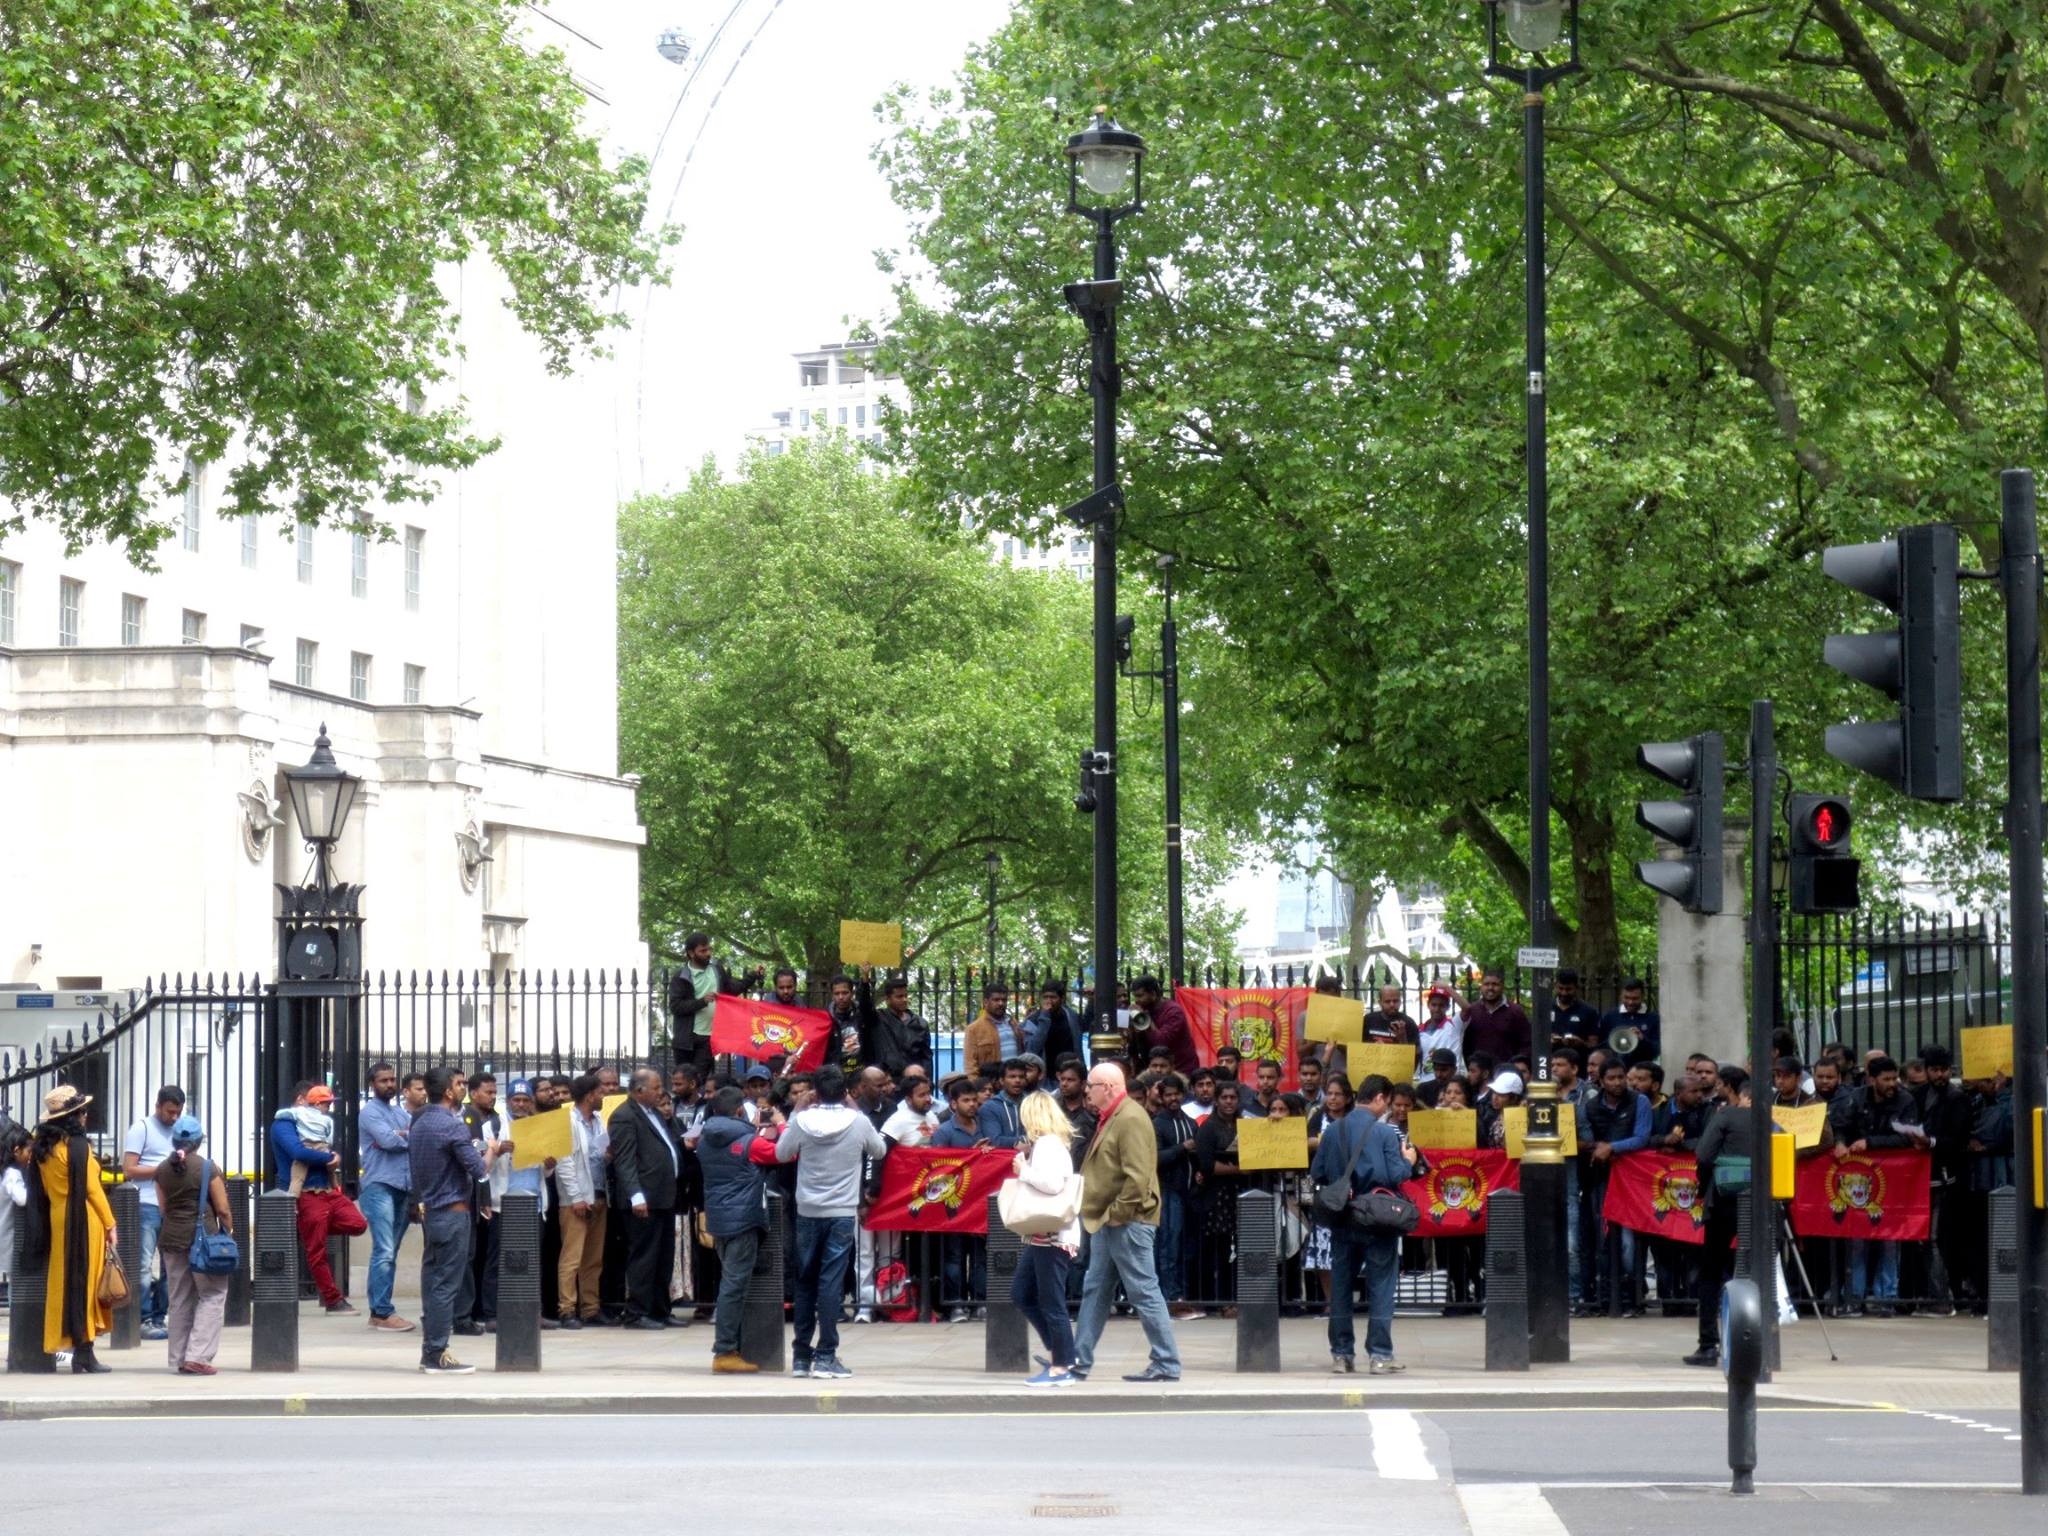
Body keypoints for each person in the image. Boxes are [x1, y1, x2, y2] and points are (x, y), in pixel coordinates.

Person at [1072, 1062, 1183, 1383]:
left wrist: (1115, 1214)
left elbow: (1137, 1177)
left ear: (1107, 1087)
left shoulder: (1130, 1118)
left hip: (1128, 1220)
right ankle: (1078, 1359)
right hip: (1113, 1220)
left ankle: (1166, 1362)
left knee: (1143, 1291)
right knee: (1096, 1289)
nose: (1086, 1091)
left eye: (1090, 1085)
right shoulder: (1116, 1116)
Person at [775, 1064, 886, 1379]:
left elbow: (782, 1153)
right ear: (846, 1092)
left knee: (805, 1280)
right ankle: (826, 1355)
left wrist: (796, 1111)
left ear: (815, 1092)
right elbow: (878, 1150)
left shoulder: (803, 1120)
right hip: (840, 1212)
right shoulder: (859, 1121)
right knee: (830, 1284)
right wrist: (854, 1108)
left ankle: (800, 1357)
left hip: (808, 1210)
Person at [1312, 1073, 1416, 1373]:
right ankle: (1380, 1355)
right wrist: (1408, 1159)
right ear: (1380, 1098)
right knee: (1382, 1285)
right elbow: (1395, 1176)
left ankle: (1342, 1355)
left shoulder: (1333, 1131)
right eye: (1387, 1103)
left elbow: (1318, 1173)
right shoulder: (1386, 1134)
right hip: (1378, 1217)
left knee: (1342, 1285)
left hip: (1344, 1215)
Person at [23, 1086, 116, 1373]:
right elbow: (93, 1190)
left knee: (65, 1283)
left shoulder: (43, 1149)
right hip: (84, 1220)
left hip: (58, 1217)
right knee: (86, 1283)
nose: (86, 1116)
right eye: (82, 1112)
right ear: (74, 1117)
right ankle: (85, 1351)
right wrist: (111, 1223)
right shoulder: (78, 1147)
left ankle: (77, 1346)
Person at [697, 1084, 784, 1372]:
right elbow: (783, 1154)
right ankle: (725, 1351)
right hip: (744, 1218)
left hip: (719, 1218)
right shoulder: (751, 1142)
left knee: (729, 1282)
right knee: (734, 1286)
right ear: (738, 1111)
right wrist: (781, 1125)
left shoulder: (705, 1139)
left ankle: (727, 1346)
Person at [1830, 1053, 1923, 1316]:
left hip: (1893, 1180)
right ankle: (1855, 1296)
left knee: (1889, 1238)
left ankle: (1886, 1298)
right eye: (1887, 1079)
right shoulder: (1856, 1099)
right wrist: (1839, 1142)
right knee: (1858, 1236)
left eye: (1895, 1078)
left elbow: (1910, 1138)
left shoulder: (1905, 1100)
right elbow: (1840, 1125)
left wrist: (1871, 1142)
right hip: (1859, 1178)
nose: (1893, 1083)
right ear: (1871, 1079)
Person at [411, 1066, 490, 1374]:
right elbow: (479, 1169)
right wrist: (492, 1151)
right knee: (446, 1285)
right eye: (459, 1084)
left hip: (431, 1211)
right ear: (447, 1091)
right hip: (453, 1212)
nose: (463, 1088)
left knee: (433, 1282)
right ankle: (436, 1352)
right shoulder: (452, 1126)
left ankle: (430, 1349)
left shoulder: (419, 1123)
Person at [269, 1081, 367, 1315]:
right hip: (307, 1193)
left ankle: (310, 1229)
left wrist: (330, 1157)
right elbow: (298, 1152)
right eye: (321, 1104)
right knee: (317, 1251)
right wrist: (329, 1158)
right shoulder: (284, 1123)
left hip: (326, 1191)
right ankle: (334, 1300)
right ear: (303, 1100)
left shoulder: (317, 1124)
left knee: (358, 1223)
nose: (324, 1109)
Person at [1008, 1091, 1083, 1386]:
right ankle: (1060, 1351)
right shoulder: (1047, 1144)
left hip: (1053, 1235)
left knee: (1051, 1302)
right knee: (1021, 1293)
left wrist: (1023, 1170)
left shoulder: (1048, 1145)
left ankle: (1061, 1367)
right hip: (1044, 1234)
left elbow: (1051, 1185)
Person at [153, 1114, 233, 1375]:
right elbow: (222, 1208)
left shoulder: (162, 1170)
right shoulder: (207, 1168)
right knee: (212, 1294)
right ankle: (198, 1355)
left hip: (171, 1239)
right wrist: (229, 1231)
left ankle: (178, 1357)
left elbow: (163, 1208)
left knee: (179, 1299)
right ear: (199, 1141)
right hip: (204, 1240)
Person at [1686, 1066, 1755, 1366]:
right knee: (1758, 1270)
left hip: (1725, 1198)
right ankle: (1758, 1343)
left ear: (1729, 1088)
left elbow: (1702, 1154)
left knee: (1711, 1271)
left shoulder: (1725, 1115)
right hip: (1761, 1201)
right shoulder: (1773, 1119)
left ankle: (1708, 1344)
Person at [609, 1066, 685, 1331]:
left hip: (664, 1195)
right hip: (644, 1198)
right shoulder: (625, 1116)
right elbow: (625, 1160)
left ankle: (660, 1309)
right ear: (640, 1091)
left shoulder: (653, 1113)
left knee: (664, 1257)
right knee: (644, 1256)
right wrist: (636, 1195)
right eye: (655, 1088)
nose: (660, 1092)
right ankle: (637, 1312)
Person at [359, 1062, 419, 1332]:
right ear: (372, 1084)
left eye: (393, 1080)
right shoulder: (369, 1112)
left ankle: (380, 1309)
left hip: (403, 1187)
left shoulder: (399, 1113)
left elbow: (413, 1136)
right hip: (379, 1185)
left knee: (390, 1250)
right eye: (384, 1080)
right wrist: (404, 1136)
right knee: (384, 1249)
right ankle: (382, 1311)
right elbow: (388, 1141)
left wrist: (404, 1134)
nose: (390, 1084)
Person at [121, 1084, 184, 1341]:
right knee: (144, 1264)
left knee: (173, 1264)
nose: (174, 1118)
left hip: (172, 1204)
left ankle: (160, 1316)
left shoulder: (181, 1130)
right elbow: (129, 1169)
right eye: (170, 1112)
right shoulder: (142, 1129)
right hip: (146, 1203)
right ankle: (144, 1317)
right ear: (158, 1106)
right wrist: (163, 1167)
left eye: (178, 1112)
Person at [553, 1071, 610, 1329]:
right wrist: (576, 1197)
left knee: (593, 1258)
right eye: (600, 1092)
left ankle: (591, 1307)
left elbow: (597, 1154)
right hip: (576, 1200)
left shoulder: (598, 1121)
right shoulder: (567, 1121)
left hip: (598, 1193)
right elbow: (564, 1163)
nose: (604, 1096)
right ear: (589, 1096)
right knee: (572, 1257)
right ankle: (567, 1309)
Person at [931, 1077, 991, 1319]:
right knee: (954, 1256)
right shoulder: (944, 1132)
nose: (972, 1105)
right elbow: (938, 1169)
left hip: (979, 1204)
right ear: (953, 1103)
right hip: (953, 1205)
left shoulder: (985, 1128)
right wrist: (970, 1156)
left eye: (974, 1100)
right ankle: (955, 1302)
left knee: (979, 1256)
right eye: (966, 1100)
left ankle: (978, 1300)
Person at [668, 933, 764, 1075]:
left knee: (699, 1081)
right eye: (703, 950)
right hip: (685, 1041)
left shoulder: (716, 970)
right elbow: (676, 1007)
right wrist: (702, 1002)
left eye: (709, 949)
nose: (708, 954)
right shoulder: (681, 976)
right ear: (691, 953)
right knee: (684, 1081)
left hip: (708, 1038)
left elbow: (732, 989)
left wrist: (753, 975)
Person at [1132, 976, 1198, 1078]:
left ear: (1153, 994)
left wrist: (1145, 1019)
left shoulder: (1173, 1012)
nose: (1137, 1001)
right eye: (1135, 996)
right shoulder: (1145, 1010)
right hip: (1156, 1070)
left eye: (1140, 996)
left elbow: (1161, 1042)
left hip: (1181, 1071)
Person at [1461, 970, 1530, 1066]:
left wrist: (1516, 1066)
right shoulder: (1473, 1011)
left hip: (1506, 1071)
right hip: (1479, 1073)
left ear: (1502, 986)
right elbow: (1465, 1044)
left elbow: (1526, 1043)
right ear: (1481, 987)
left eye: (1495, 984)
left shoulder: (1515, 1011)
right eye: (1486, 984)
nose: (1490, 988)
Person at [869, 975, 934, 1078]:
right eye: (899, 996)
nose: (904, 1000)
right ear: (888, 999)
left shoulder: (920, 1023)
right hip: (888, 1081)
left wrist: (927, 1081)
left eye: (906, 996)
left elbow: (926, 1057)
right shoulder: (879, 1019)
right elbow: (864, 1006)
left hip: (913, 1081)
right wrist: (865, 980)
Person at [0, 1123, 30, 1310]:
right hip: (9, 1235)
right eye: (29, 1150)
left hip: (6, 1233)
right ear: (17, 1150)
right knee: (16, 1279)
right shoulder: (12, 1174)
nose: (31, 1155)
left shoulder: (5, 1172)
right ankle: (17, 1316)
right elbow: (21, 1198)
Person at [823, 971, 877, 1073]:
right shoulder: (825, 1018)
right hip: (837, 1072)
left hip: (862, 1071)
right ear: (832, 995)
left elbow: (866, 1005)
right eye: (837, 993)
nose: (841, 997)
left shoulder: (862, 1014)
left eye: (845, 993)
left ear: (852, 993)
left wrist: (865, 981)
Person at [1598, 977, 1660, 1065]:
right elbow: (1601, 1047)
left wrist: (1643, 1040)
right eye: (1626, 998)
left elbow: (1658, 1050)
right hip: (1616, 1069)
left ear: (1643, 996)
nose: (1630, 1002)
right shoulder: (1610, 1016)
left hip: (1642, 1069)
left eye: (1635, 998)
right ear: (1620, 996)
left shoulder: (1653, 1018)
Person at [1021, 981, 1083, 1066]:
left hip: (1069, 1071)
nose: (1049, 1001)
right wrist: (1045, 1018)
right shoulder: (1033, 1020)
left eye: (1053, 997)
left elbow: (1084, 1028)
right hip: (1045, 1074)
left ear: (1062, 999)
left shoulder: (1071, 1016)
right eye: (1045, 997)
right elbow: (1031, 1050)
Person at [963, 983, 1017, 1075]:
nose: (1001, 1003)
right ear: (985, 1002)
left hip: (1016, 1082)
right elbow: (970, 1066)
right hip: (991, 1085)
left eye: (1004, 1000)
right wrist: (978, 1087)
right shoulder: (974, 1029)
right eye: (996, 1000)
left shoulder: (1014, 1024)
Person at [1546, 968, 1602, 1053]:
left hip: (1578, 1062)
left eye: (1568, 989)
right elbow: (1534, 1039)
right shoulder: (1545, 1008)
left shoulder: (1589, 1011)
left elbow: (1594, 1045)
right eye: (1560, 988)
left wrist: (1580, 1043)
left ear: (1576, 988)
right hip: (1550, 1060)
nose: (1564, 993)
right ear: (1555, 986)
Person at [1417, 985, 1464, 1068]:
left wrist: (1447, 988)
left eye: (1441, 1005)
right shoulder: (1420, 1030)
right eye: (1434, 1005)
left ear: (1448, 1007)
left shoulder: (1454, 1024)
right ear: (1428, 1005)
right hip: (1425, 1080)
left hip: (1450, 1079)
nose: (1437, 1009)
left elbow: (1467, 1008)